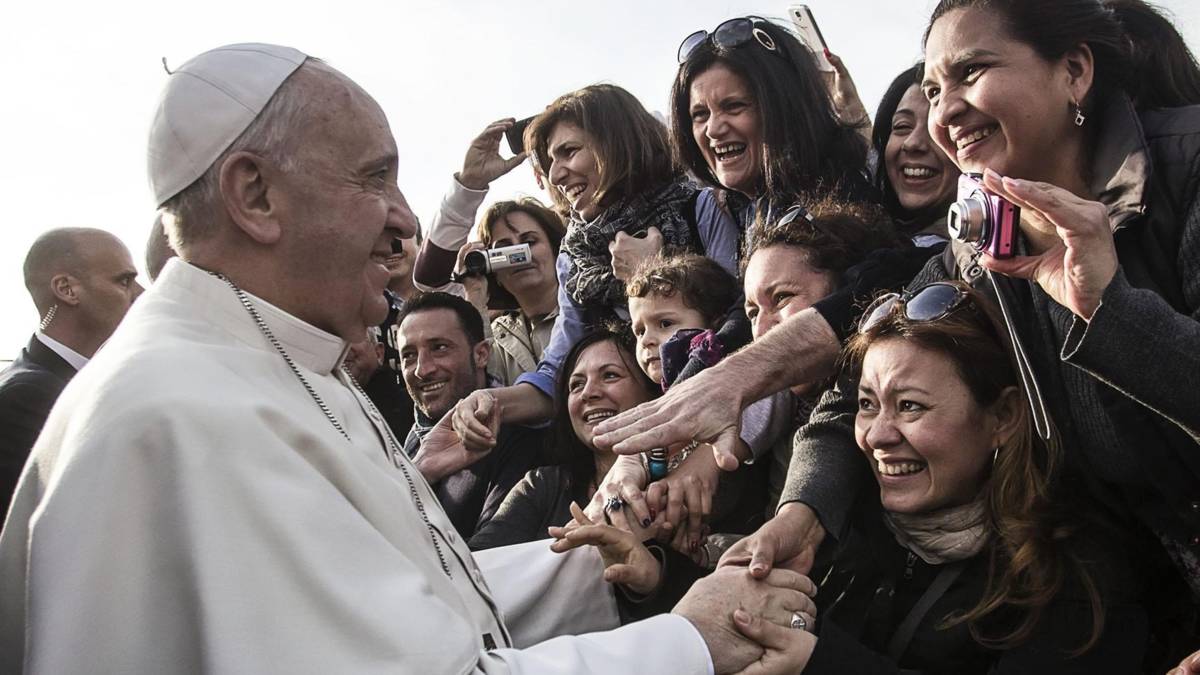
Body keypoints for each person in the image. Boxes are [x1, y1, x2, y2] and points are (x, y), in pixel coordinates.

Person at [0, 43, 813, 674]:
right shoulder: (181, 412)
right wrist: (688, 643)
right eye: (376, 178)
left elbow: (415, 603)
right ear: (254, 195)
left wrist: (591, 564)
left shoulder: (281, 359)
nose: (402, 220)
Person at [704, 0, 1200, 666]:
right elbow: (854, 389)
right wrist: (804, 511)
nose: (946, 111)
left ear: (1074, 71)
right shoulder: (979, 244)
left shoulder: (1189, 168)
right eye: (935, 89)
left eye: (971, 72)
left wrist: (1107, 308)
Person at [750, 282, 1146, 671]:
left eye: (910, 406)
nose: (877, 436)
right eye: (868, 404)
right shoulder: (845, 524)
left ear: (1003, 416)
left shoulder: (1075, 582)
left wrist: (818, 661)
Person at [448, 84, 744, 456]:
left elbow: (739, 323)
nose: (556, 174)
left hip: (723, 426)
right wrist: (490, 401)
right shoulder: (575, 256)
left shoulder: (702, 208)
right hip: (635, 444)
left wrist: (651, 276)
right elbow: (555, 371)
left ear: (617, 144)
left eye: (569, 152)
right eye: (550, 161)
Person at [740, 196, 905, 513]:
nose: (761, 332)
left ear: (843, 291)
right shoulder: (785, 417)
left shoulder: (877, 389)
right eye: (751, 312)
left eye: (782, 298)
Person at [469, 327, 658, 550]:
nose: (588, 393)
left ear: (652, 391)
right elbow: (477, 564)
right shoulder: (542, 485)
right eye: (576, 384)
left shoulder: (686, 481)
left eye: (610, 375)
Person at [671, 16, 872, 224]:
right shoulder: (736, 215)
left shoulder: (831, 218)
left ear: (786, 107)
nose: (713, 129)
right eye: (700, 114)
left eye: (734, 106)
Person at [412, 124, 567, 384]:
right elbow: (429, 278)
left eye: (529, 241)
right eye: (504, 248)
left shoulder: (587, 305)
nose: (520, 253)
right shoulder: (496, 331)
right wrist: (469, 184)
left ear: (556, 250)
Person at [0, 227, 142, 508]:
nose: (141, 294)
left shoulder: (71, 380)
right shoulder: (26, 395)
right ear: (66, 290)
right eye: (124, 281)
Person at [397, 291, 544, 538]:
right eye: (409, 355)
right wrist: (419, 473)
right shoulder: (408, 441)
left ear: (481, 354)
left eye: (439, 348)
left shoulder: (519, 439)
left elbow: (494, 554)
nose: (423, 369)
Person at [871, 64, 959, 244]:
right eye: (902, 126)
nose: (912, 143)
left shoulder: (979, 261)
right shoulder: (866, 242)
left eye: (938, 128)